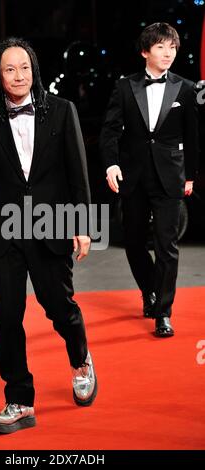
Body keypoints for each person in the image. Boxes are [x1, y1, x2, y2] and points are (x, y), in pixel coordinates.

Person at [0, 37, 97, 435]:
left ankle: (81, 359)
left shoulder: (63, 111)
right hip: (6, 229)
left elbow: (78, 174)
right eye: (9, 69)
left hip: (52, 225)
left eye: (24, 67)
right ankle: (19, 400)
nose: (18, 76)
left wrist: (83, 225)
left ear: (34, 69)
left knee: (59, 306)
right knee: (5, 315)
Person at [99, 23, 199, 337]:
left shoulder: (186, 87)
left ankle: (163, 313)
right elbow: (110, 131)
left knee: (167, 246)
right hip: (134, 175)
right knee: (133, 241)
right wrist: (111, 164)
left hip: (171, 175)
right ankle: (149, 292)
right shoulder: (125, 86)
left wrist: (191, 175)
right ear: (145, 51)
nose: (168, 53)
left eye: (172, 47)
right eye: (160, 47)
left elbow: (193, 136)